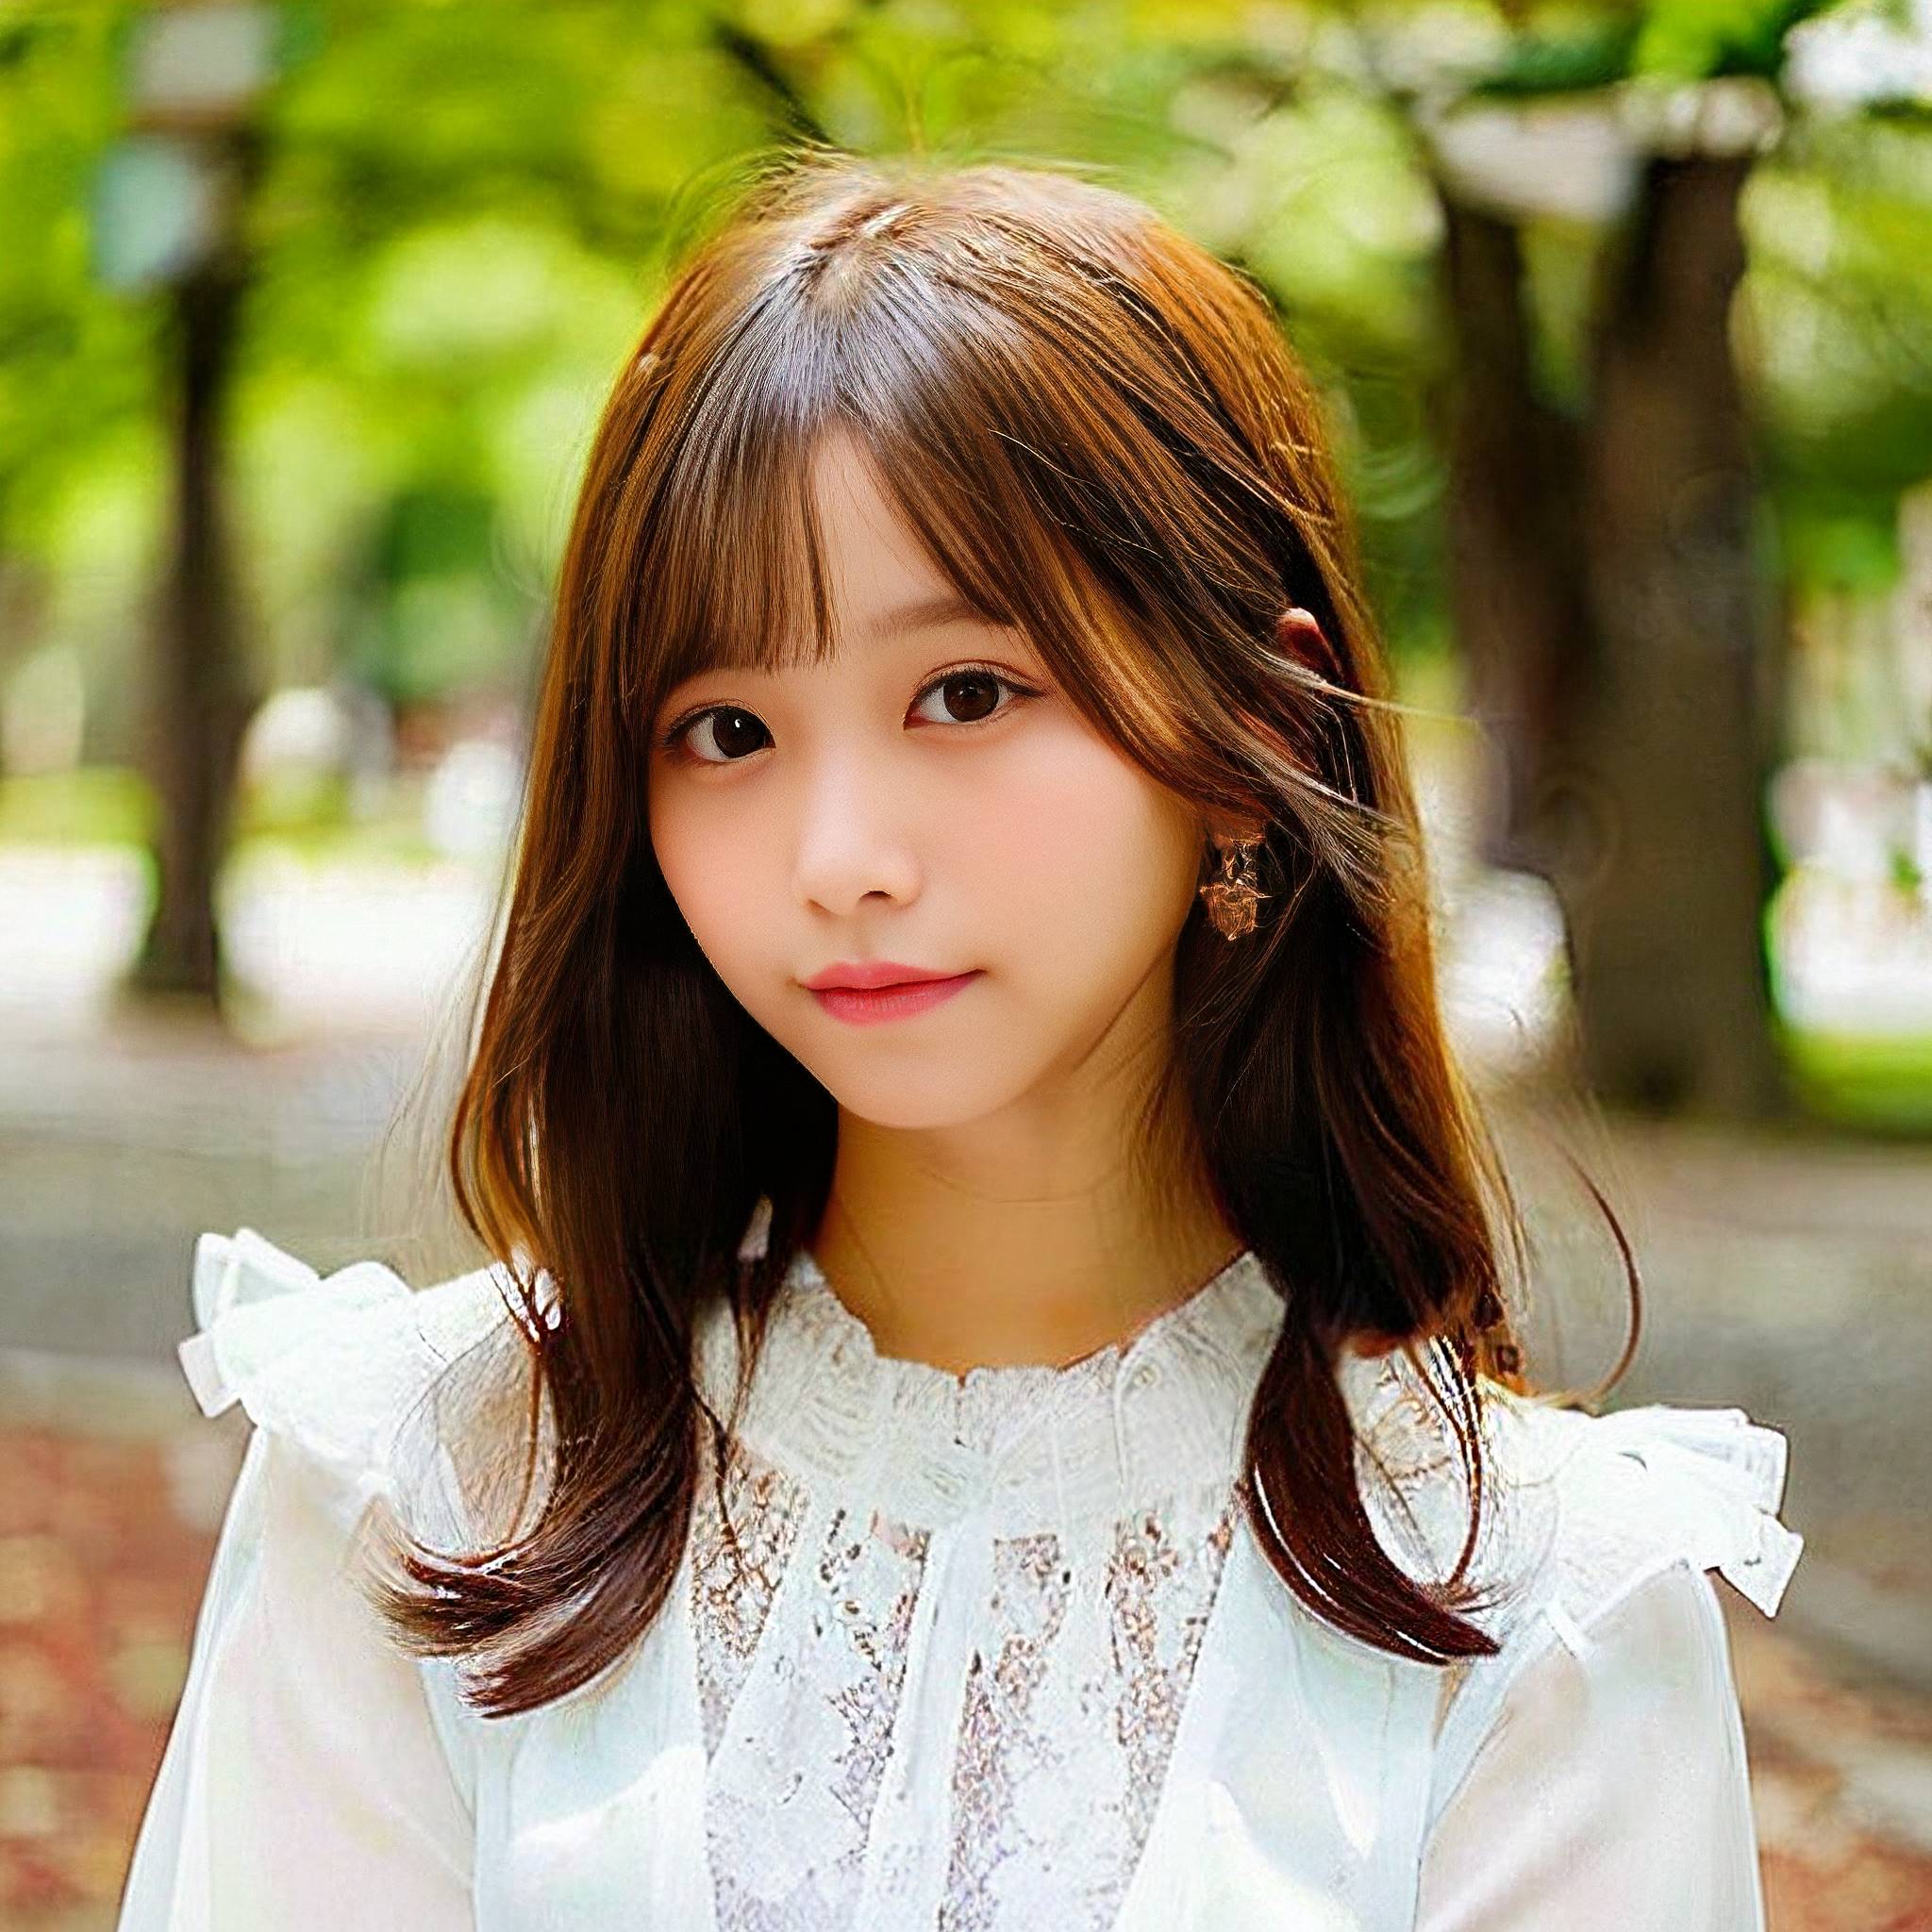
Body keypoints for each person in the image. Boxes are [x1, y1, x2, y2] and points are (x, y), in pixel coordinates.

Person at [116, 150, 1804, 1931]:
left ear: (1248, 733)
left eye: (969, 694)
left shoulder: (1534, 1602)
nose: (841, 859)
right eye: (725, 729)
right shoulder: (434, 1490)